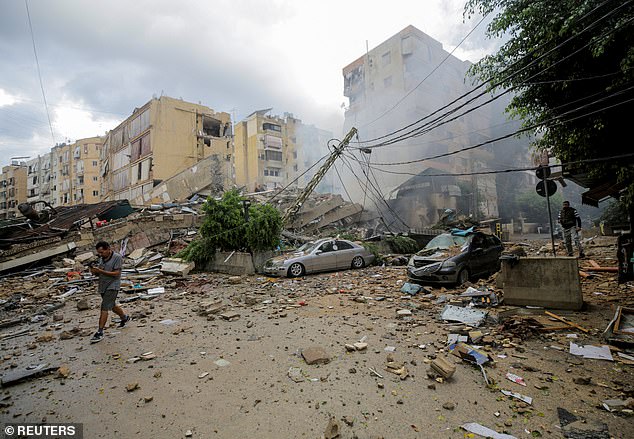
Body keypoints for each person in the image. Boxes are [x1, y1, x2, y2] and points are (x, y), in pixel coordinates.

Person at [89, 241, 130, 343]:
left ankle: (100, 332)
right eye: (99, 253)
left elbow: (116, 273)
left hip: (113, 285)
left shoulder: (117, 258)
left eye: (102, 252)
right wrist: (93, 270)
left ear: (108, 249)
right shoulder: (101, 259)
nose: (101, 254)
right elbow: (98, 274)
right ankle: (124, 318)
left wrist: (100, 271)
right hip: (103, 285)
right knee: (111, 305)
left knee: (104, 307)